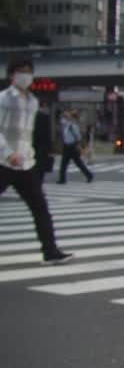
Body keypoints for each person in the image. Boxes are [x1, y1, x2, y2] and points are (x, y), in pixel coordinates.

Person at [0, 58, 72, 263]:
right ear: (11, 75)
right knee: (39, 208)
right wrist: (7, 153)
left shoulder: (33, 101)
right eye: (21, 71)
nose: (25, 75)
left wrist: (33, 157)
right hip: (3, 162)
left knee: (40, 208)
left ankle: (50, 252)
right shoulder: (3, 99)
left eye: (28, 71)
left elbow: (28, 134)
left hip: (25, 164)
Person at [56, 110, 93, 184]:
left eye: (70, 116)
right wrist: (64, 114)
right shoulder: (67, 124)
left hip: (71, 146)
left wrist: (77, 144)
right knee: (66, 164)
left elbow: (78, 137)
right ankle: (62, 179)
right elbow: (62, 120)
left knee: (75, 163)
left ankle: (89, 175)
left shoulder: (73, 126)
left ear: (73, 118)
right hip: (67, 146)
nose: (68, 117)